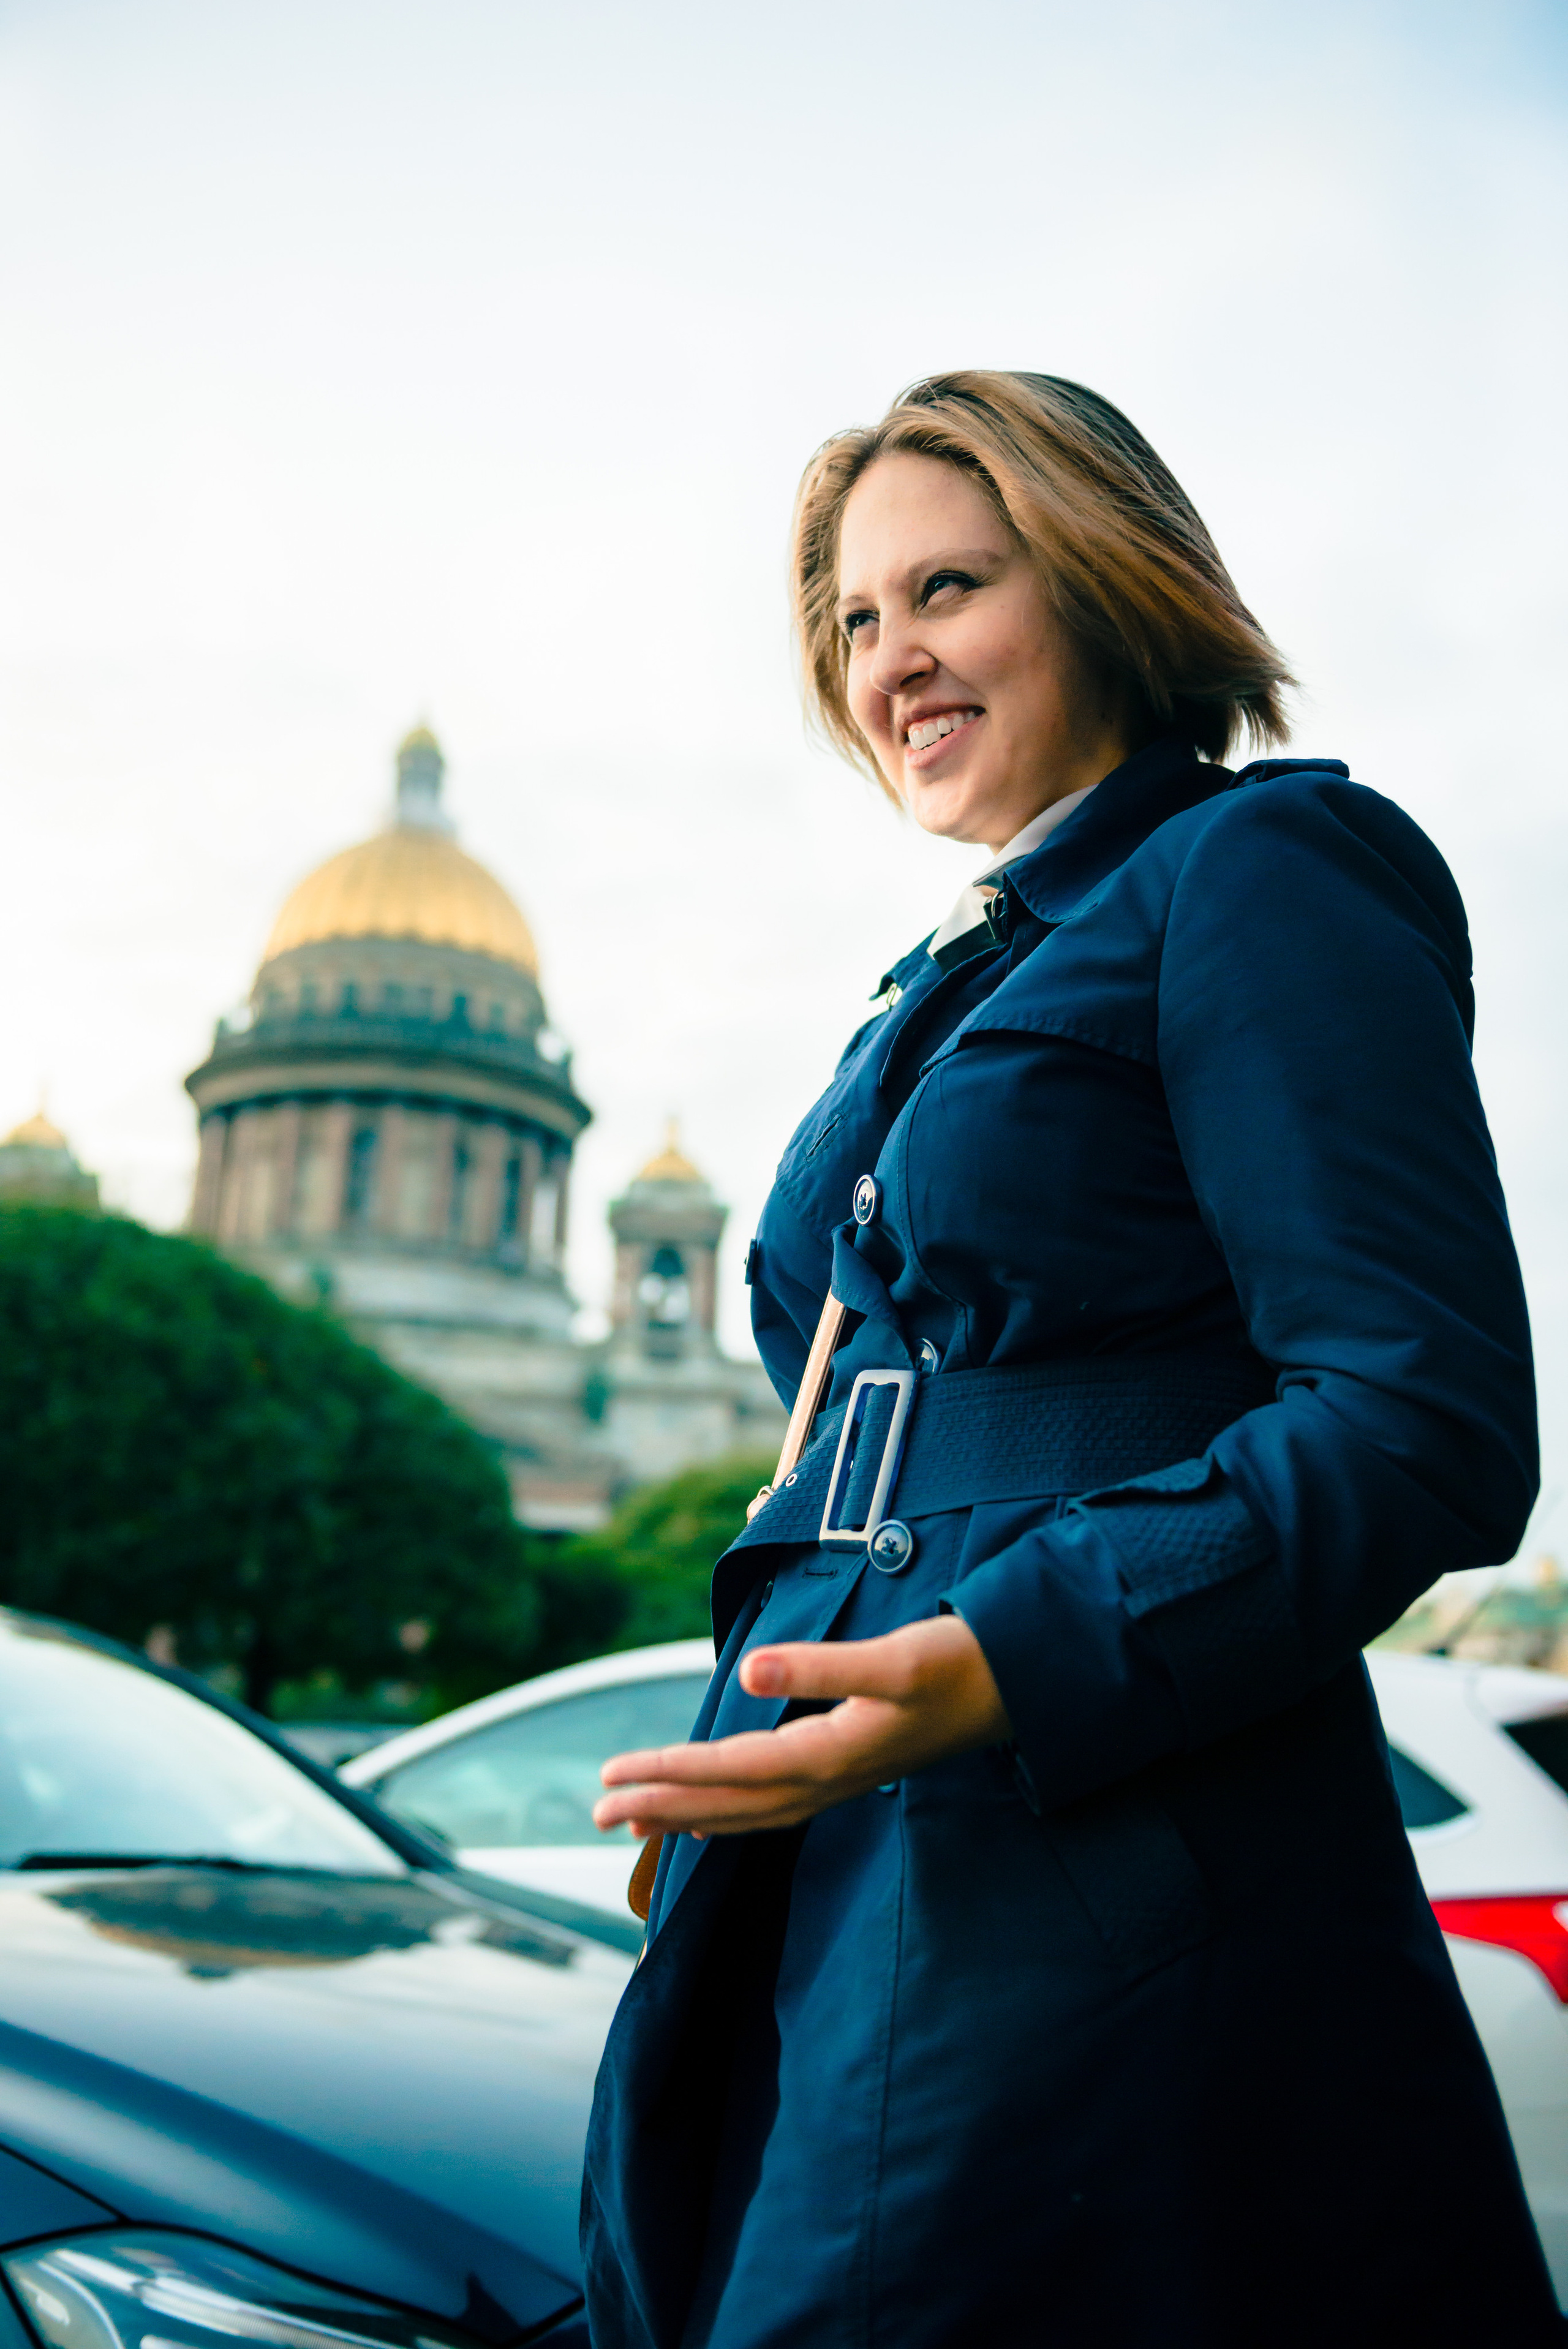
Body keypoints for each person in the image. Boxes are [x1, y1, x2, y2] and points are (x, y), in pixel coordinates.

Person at [581, 372, 1561, 2347]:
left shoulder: (1262, 871)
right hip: (833, 1817)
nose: (891, 659)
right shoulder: (948, 975)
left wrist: (1001, 1654)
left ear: (1107, 580)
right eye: (855, 621)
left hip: (1086, 1827)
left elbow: (1424, 1414)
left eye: (948, 585)